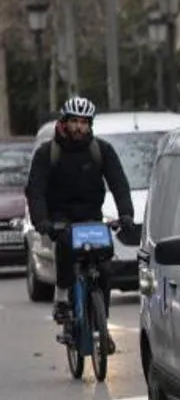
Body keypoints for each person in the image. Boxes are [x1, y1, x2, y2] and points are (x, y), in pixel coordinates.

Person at [25, 97, 135, 353]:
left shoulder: (102, 150)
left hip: (91, 218)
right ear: (63, 122)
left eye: (84, 123)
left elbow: (119, 183)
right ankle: (62, 298)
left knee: (105, 268)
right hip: (61, 218)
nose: (78, 127)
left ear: (90, 125)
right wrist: (42, 220)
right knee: (65, 248)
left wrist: (126, 214)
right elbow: (36, 191)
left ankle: (101, 324)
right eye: (73, 121)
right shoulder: (47, 153)